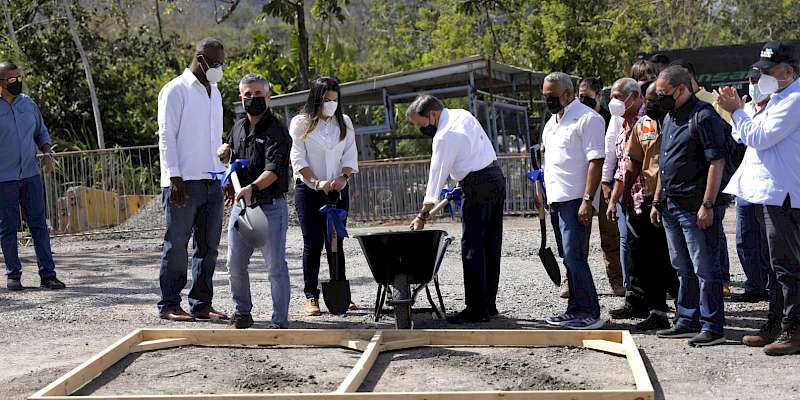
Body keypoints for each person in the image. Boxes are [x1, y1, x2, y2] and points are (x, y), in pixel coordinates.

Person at [717, 40, 800, 356]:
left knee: (787, 265)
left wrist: (738, 111)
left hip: (785, 194)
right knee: (774, 265)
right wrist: (744, 110)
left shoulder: (795, 99)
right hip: (769, 192)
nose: (762, 78)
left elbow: (759, 137)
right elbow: (743, 135)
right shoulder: (777, 97)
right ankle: (776, 324)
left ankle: (794, 328)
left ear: (788, 71)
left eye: (769, 72)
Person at [407, 94, 505, 324]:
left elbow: (436, 177)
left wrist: (422, 214)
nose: (421, 129)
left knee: (472, 247)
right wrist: (463, 182)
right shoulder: (462, 114)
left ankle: (476, 310)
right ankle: (489, 305)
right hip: (495, 178)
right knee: (491, 245)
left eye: (420, 124)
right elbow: (471, 153)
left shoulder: (444, 135)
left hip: (479, 185)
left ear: (432, 115)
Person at [650, 65, 730, 346]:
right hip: (672, 206)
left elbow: (716, 162)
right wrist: (658, 200)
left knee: (705, 269)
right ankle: (686, 319)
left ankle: (712, 327)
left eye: (664, 93)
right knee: (682, 266)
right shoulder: (670, 117)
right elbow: (664, 162)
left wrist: (707, 204)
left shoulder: (704, 117)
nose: (659, 99)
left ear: (682, 89)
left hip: (696, 208)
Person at [156, 38, 227, 322]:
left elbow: (215, 139)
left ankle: (201, 303)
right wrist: (174, 176)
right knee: (176, 245)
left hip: (212, 180)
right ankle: (170, 304)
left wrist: (224, 175)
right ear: (200, 59)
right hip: (183, 182)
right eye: (216, 62)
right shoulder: (175, 90)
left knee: (208, 248)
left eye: (222, 62)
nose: (219, 68)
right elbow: (166, 136)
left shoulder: (216, 92)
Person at [218, 73, 292, 329]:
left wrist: (252, 187)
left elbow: (273, 171)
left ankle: (279, 321)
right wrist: (225, 152)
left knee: (274, 267)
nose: (253, 99)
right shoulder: (238, 127)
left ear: (268, 96)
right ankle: (242, 311)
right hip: (242, 208)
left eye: (258, 94)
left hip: (270, 206)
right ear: (241, 98)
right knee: (234, 264)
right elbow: (232, 156)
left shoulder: (278, 131)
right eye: (247, 95)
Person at [608, 82, 679, 331]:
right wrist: (623, 194)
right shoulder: (642, 125)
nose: (651, 105)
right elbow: (631, 163)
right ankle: (657, 312)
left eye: (655, 99)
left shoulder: (677, 122)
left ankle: (688, 313)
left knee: (676, 260)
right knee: (650, 259)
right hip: (646, 199)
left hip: (674, 198)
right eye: (649, 100)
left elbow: (667, 166)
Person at [540, 72, 605, 330]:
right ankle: (574, 309)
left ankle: (590, 312)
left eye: (551, 96)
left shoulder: (588, 119)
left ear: (567, 94)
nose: (547, 101)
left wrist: (588, 199)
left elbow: (596, 161)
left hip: (576, 199)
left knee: (576, 256)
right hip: (556, 201)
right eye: (544, 96)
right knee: (567, 257)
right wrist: (542, 196)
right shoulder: (551, 123)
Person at [290, 77, 359, 316]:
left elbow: (350, 154)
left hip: (338, 189)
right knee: (313, 242)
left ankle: (339, 291)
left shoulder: (345, 123)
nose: (331, 104)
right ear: (316, 99)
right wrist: (316, 182)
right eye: (327, 100)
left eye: (335, 100)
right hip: (310, 191)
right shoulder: (301, 123)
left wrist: (343, 178)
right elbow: (298, 159)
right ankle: (311, 295)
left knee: (336, 240)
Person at [0, 61, 65, 291]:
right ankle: (13, 276)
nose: (17, 82)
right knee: (8, 227)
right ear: (1, 83)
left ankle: (48, 275)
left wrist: (47, 153)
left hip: (30, 175)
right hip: (3, 179)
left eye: (19, 77)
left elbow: (41, 132)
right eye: (11, 79)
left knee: (39, 225)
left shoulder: (28, 104)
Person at [602, 78, 650, 320]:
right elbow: (621, 165)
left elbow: (645, 163)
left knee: (648, 254)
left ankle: (656, 305)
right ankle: (636, 300)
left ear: (634, 96)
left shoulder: (647, 122)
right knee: (633, 251)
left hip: (646, 197)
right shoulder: (622, 123)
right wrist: (614, 198)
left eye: (619, 96)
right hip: (629, 198)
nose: (614, 102)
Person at [577, 77, 625, 298]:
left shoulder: (610, 119)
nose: (582, 99)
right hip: (584, 182)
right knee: (579, 235)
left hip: (606, 183)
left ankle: (616, 281)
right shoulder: (576, 117)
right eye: (580, 95)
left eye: (587, 95)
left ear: (598, 96)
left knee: (611, 236)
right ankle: (572, 281)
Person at [730, 68, 771, 304]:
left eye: (758, 81)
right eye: (751, 81)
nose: (753, 85)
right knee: (745, 238)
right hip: (746, 184)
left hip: (768, 186)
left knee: (769, 240)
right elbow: (738, 139)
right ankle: (754, 285)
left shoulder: (778, 109)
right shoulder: (745, 110)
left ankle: (771, 286)